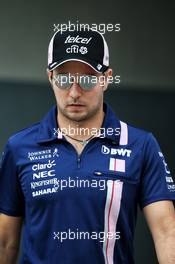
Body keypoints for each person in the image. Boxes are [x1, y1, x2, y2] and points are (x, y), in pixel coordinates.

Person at [0, 28, 175, 264]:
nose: (74, 92)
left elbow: (166, 232)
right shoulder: (19, 147)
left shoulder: (140, 145)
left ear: (106, 79)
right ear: (50, 78)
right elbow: (5, 242)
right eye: (63, 79)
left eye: (87, 79)